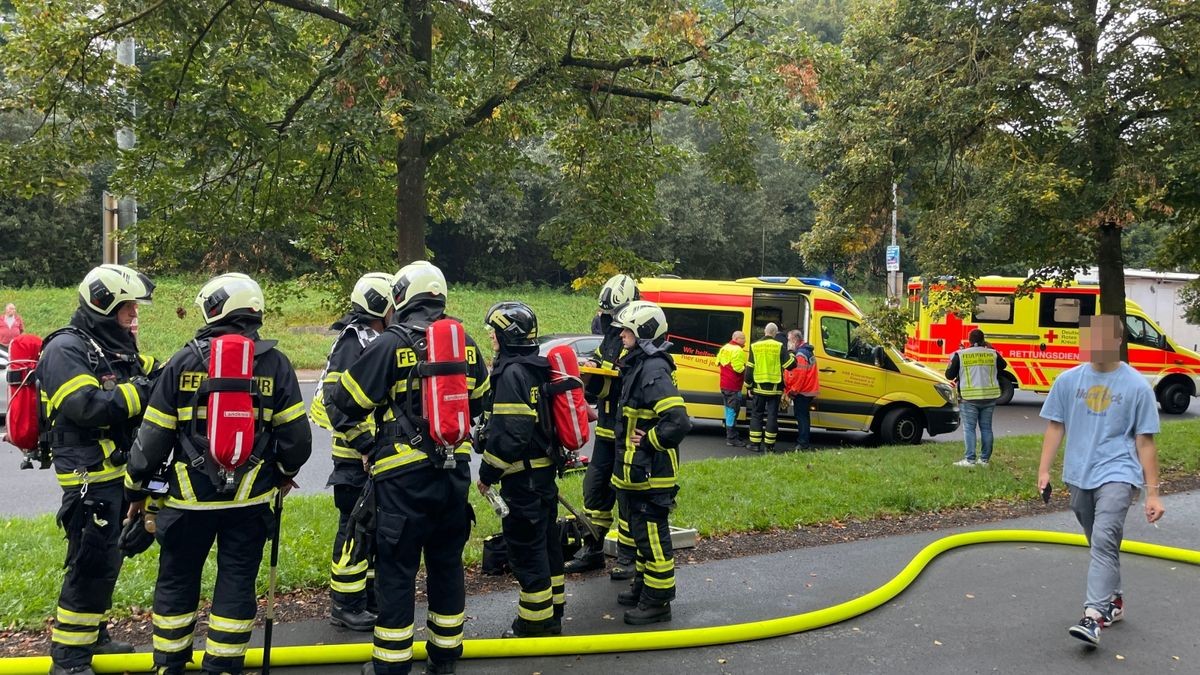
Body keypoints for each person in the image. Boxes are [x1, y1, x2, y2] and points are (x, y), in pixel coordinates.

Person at [125, 273, 312, 675]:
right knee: (237, 583)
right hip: (250, 501)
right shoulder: (275, 363)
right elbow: (298, 440)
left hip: (186, 501)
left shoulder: (183, 360)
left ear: (215, 309)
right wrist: (282, 473)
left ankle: (169, 666)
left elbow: (152, 438)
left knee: (177, 579)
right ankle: (223, 667)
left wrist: (137, 488)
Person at [328, 261, 490, 675]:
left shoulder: (389, 344)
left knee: (397, 570)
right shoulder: (466, 344)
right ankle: (446, 658)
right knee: (446, 564)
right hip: (454, 476)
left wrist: (366, 444)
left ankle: (391, 665)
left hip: (401, 482)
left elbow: (343, 402)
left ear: (401, 297)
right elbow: (483, 402)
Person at [42, 264, 156, 675]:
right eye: (128, 310)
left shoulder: (112, 348)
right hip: (87, 476)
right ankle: (70, 659)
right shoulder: (65, 350)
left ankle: (95, 636)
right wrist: (145, 391)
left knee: (107, 559)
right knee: (90, 561)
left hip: (116, 473)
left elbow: (149, 373)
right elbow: (86, 407)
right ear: (104, 307)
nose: (134, 318)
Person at [1036, 314, 1164, 647]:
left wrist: (1153, 493)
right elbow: (1055, 426)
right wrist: (1044, 470)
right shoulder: (1067, 381)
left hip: (1119, 473)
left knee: (1105, 539)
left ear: (1118, 342)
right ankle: (1114, 599)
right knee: (1099, 542)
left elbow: (1145, 441)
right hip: (1079, 473)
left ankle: (1093, 616)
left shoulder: (1137, 386)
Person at [310, 272, 395, 632]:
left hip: (372, 456)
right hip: (354, 459)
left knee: (372, 531)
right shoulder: (353, 342)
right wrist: (364, 445)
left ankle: (368, 599)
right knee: (353, 530)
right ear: (380, 306)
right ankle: (345, 605)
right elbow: (336, 403)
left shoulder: (374, 338)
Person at [476, 301, 565, 638]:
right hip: (540, 476)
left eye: (495, 332)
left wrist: (487, 473)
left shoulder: (512, 372)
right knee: (546, 545)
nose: (491, 337)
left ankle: (535, 623)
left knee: (527, 551)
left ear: (508, 334)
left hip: (522, 478)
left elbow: (513, 432)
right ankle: (553, 613)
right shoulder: (533, 367)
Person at [609, 301, 692, 625]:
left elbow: (678, 421)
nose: (622, 335)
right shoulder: (637, 365)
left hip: (651, 475)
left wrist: (649, 441)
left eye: (627, 330)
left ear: (642, 332)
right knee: (643, 537)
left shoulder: (653, 368)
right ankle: (643, 587)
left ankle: (658, 602)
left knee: (654, 540)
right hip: (636, 474)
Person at [565, 273, 639, 579]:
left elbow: (629, 380)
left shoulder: (640, 339)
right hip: (607, 432)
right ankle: (593, 550)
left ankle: (628, 557)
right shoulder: (612, 335)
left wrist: (602, 375)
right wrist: (591, 368)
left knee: (626, 495)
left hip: (627, 434)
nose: (609, 321)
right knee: (594, 490)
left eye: (613, 315)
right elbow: (600, 364)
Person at [946, 328, 1008, 467]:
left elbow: (949, 375)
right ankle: (984, 460)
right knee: (986, 428)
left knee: (969, 428)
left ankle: (970, 459)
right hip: (989, 397)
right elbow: (1003, 366)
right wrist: (990, 348)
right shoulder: (992, 354)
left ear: (969, 340)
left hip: (969, 397)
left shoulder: (961, 355)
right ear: (983, 340)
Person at [744, 322, 795, 453]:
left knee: (756, 415)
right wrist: (791, 352)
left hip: (758, 388)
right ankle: (769, 446)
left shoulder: (755, 346)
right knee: (772, 416)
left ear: (765, 332)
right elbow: (790, 365)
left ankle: (755, 444)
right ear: (775, 333)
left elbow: (749, 369)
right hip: (775, 389)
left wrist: (748, 386)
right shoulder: (779, 346)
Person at [783, 329, 819, 452]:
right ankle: (804, 442)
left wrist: (792, 391)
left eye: (789, 340)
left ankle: (803, 444)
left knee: (802, 417)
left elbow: (798, 376)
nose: (788, 342)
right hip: (809, 390)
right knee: (804, 417)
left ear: (795, 340)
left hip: (803, 391)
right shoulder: (807, 352)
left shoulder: (800, 355)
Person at [715, 331, 747, 447]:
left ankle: (732, 434)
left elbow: (717, 362)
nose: (745, 341)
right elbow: (739, 369)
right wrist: (747, 368)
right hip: (733, 386)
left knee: (728, 410)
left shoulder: (725, 348)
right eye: (743, 338)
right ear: (737, 339)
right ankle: (731, 438)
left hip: (724, 384)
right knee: (733, 411)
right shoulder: (737, 350)